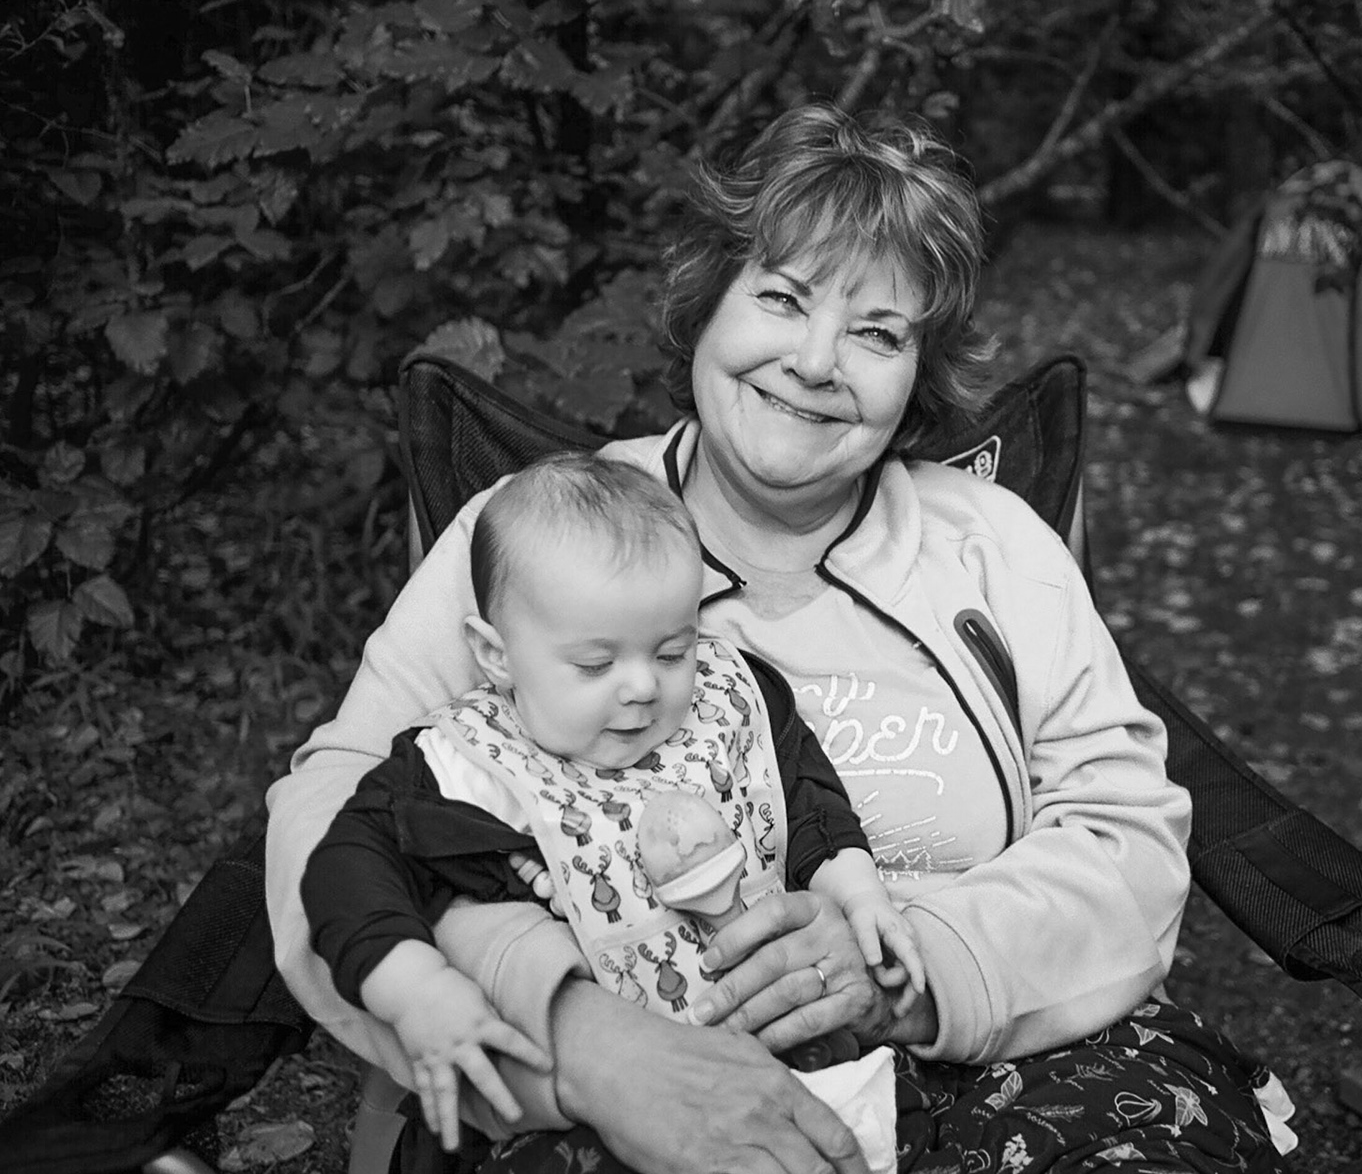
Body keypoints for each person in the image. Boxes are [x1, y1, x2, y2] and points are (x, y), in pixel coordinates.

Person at [264, 102, 1298, 1174]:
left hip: (1008, 1062)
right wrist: (586, 1048)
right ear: (707, 304)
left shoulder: (992, 543)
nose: (814, 361)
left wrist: (909, 969)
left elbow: (1128, 840)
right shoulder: (538, 543)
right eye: (782, 298)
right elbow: (332, 812)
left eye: (877, 332)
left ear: (918, 373)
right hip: (641, 1072)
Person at [297, 452, 922, 1150]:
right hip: (584, 1104)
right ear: (496, 655)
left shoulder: (725, 702)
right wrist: (415, 988)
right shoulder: (463, 767)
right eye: (596, 664)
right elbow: (346, 865)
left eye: (672, 651)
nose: (643, 687)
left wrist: (855, 885)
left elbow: (803, 794)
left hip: (790, 1052)